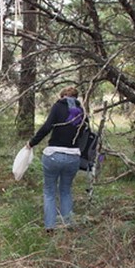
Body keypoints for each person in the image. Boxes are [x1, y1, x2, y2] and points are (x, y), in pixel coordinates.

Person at [26, 86, 87, 233]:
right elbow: (86, 134)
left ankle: (50, 227)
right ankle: (67, 225)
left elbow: (47, 127)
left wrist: (31, 143)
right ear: (76, 97)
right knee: (66, 191)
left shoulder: (58, 106)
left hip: (53, 155)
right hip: (73, 157)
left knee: (49, 192)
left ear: (62, 96)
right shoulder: (82, 111)